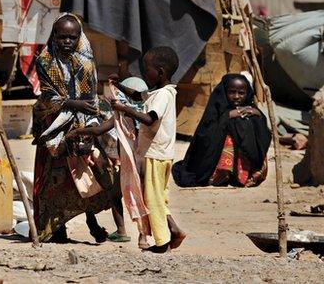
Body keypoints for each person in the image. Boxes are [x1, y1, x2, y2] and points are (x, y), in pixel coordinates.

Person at [31, 13, 117, 243]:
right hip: (54, 123)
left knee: (87, 174)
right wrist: (70, 103)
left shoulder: (86, 63)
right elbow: (49, 96)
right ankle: (56, 228)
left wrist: (87, 130)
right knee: (55, 177)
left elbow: (90, 100)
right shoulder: (45, 61)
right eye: (62, 37)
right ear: (54, 36)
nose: (67, 42)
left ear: (79, 37)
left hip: (83, 124)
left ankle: (92, 222)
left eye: (72, 37)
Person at [111, 46, 187, 253]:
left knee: (152, 199)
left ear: (160, 72)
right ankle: (174, 230)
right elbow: (138, 96)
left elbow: (149, 118)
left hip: (156, 154)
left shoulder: (163, 95)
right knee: (159, 197)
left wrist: (123, 109)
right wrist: (119, 86)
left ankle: (162, 243)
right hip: (160, 154)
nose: (145, 74)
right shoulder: (160, 93)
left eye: (147, 69)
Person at [68, 76, 151, 247]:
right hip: (148, 162)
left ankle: (122, 231)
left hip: (130, 165)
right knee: (145, 198)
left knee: (115, 195)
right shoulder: (146, 116)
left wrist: (77, 132)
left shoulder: (121, 116)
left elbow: (98, 130)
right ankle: (143, 237)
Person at [173, 73, 270, 188]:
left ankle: (245, 175)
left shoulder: (251, 108)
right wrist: (227, 117)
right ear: (224, 92)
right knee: (229, 139)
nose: (236, 96)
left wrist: (257, 114)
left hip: (247, 158)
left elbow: (263, 135)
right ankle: (221, 175)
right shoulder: (216, 108)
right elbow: (205, 133)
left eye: (241, 93)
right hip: (215, 159)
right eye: (232, 92)